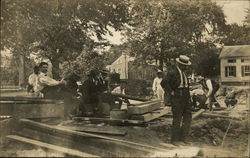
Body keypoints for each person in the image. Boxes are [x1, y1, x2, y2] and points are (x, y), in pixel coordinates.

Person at [161, 55, 192, 145]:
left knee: (187, 118)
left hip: (185, 96)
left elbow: (186, 86)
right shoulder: (172, 72)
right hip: (177, 96)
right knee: (177, 118)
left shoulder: (185, 73)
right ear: (179, 64)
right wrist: (171, 92)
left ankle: (183, 138)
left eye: (186, 65)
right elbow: (164, 82)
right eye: (184, 65)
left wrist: (189, 98)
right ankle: (174, 140)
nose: (186, 67)